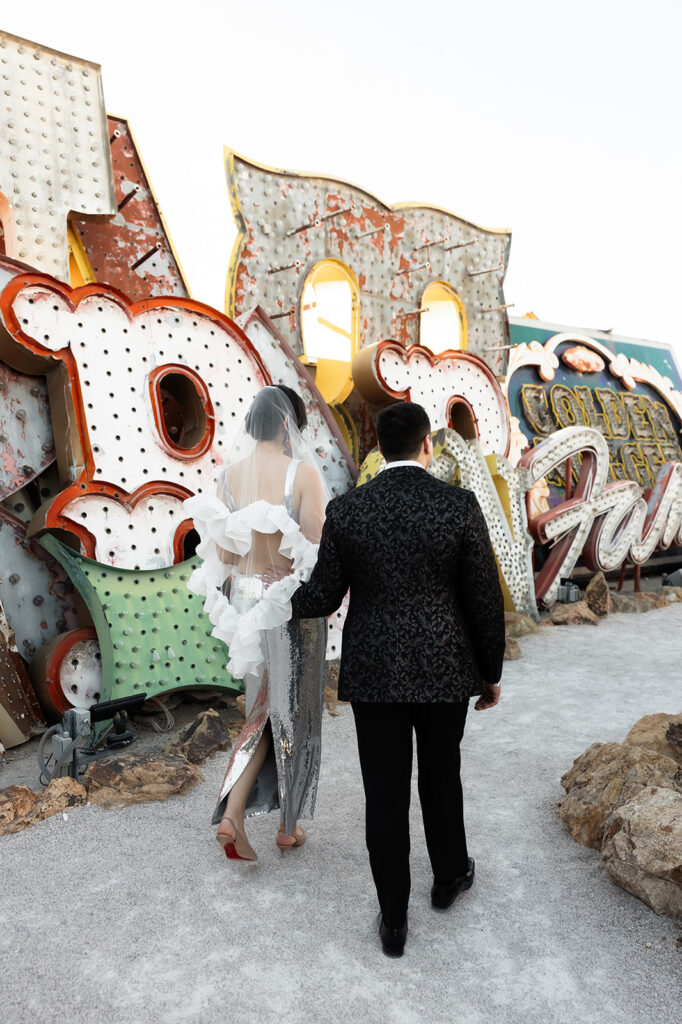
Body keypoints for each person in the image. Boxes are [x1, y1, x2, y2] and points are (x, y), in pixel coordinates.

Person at [291, 400, 505, 957]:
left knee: (384, 793)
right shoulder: (457, 505)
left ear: (379, 449)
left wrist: (278, 597)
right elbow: (484, 596)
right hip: (445, 669)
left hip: (376, 670)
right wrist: (491, 672)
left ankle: (393, 920)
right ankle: (449, 877)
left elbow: (321, 597)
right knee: (441, 776)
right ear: (427, 443)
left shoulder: (349, 510)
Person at [184, 385, 328, 861]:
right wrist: (286, 573)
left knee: (261, 708)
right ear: (288, 424)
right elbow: (316, 548)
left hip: (244, 600)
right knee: (290, 711)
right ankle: (241, 813)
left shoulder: (228, 478)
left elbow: (224, 553)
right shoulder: (302, 473)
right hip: (286, 603)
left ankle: (269, 820)